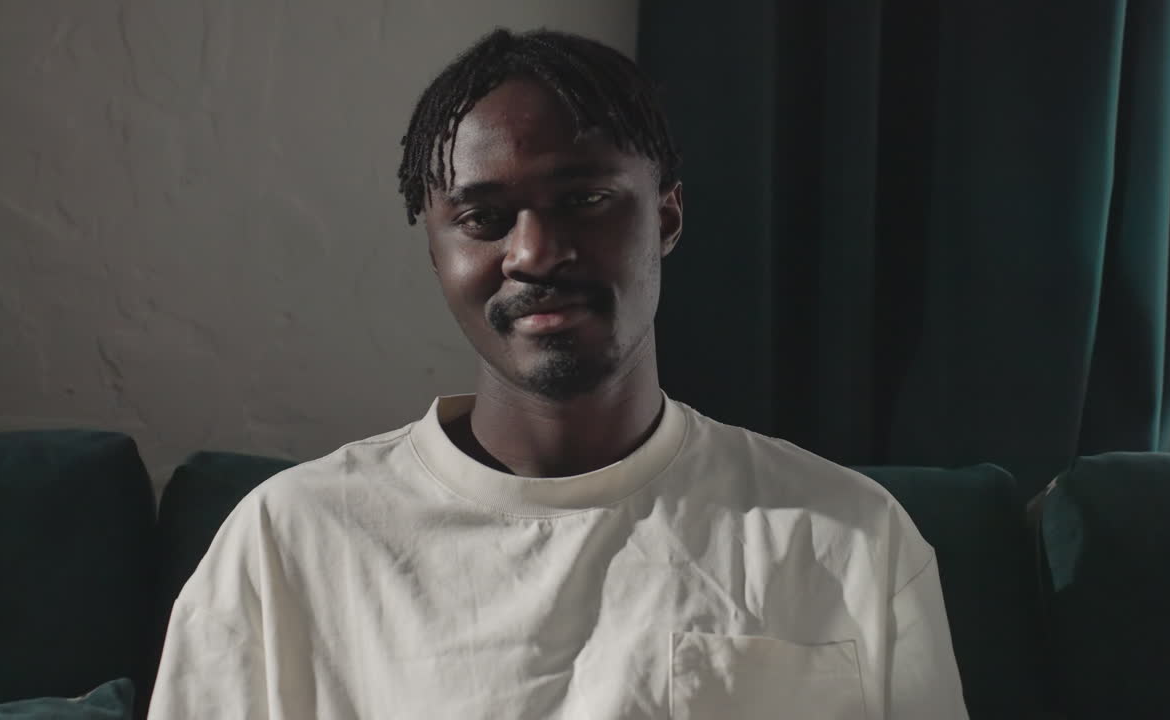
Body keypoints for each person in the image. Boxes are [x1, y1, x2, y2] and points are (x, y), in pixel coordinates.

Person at [150, 28, 969, 719]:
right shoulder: (290, 541)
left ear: (667, 216)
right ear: (435, 250)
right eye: (483, 217)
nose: (535, 253)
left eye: (584, 200)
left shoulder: (847, 539)